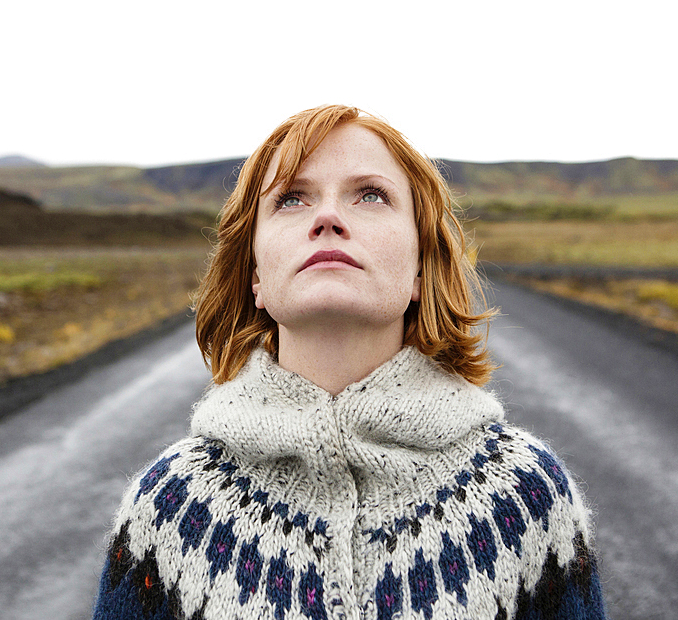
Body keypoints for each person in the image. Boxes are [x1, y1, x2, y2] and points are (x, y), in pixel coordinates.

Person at [92, 105, 606, 619]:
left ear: (420, 270)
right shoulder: (167, 508)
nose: (327, 218)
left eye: (371, 195)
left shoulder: (527, 496)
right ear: (255, 276)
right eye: (291, 198)